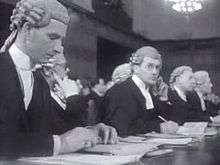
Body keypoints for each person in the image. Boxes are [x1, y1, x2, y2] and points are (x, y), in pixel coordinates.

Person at [0, 0, 117, 158]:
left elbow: (43, 131)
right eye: (52, 37)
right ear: (27, 29)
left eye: (61, 40)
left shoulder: (38, 80)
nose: (59, 48)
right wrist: (61, 143)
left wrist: (90, 132)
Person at [101, 46, 178, 137]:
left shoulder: (146, 90)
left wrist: (163, 98)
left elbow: (160, 119)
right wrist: (158, 127)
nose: (154, 72)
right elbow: (122, 128)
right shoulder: (122, 91)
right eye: (149, 66)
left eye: (157, 67)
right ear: (136, 68)